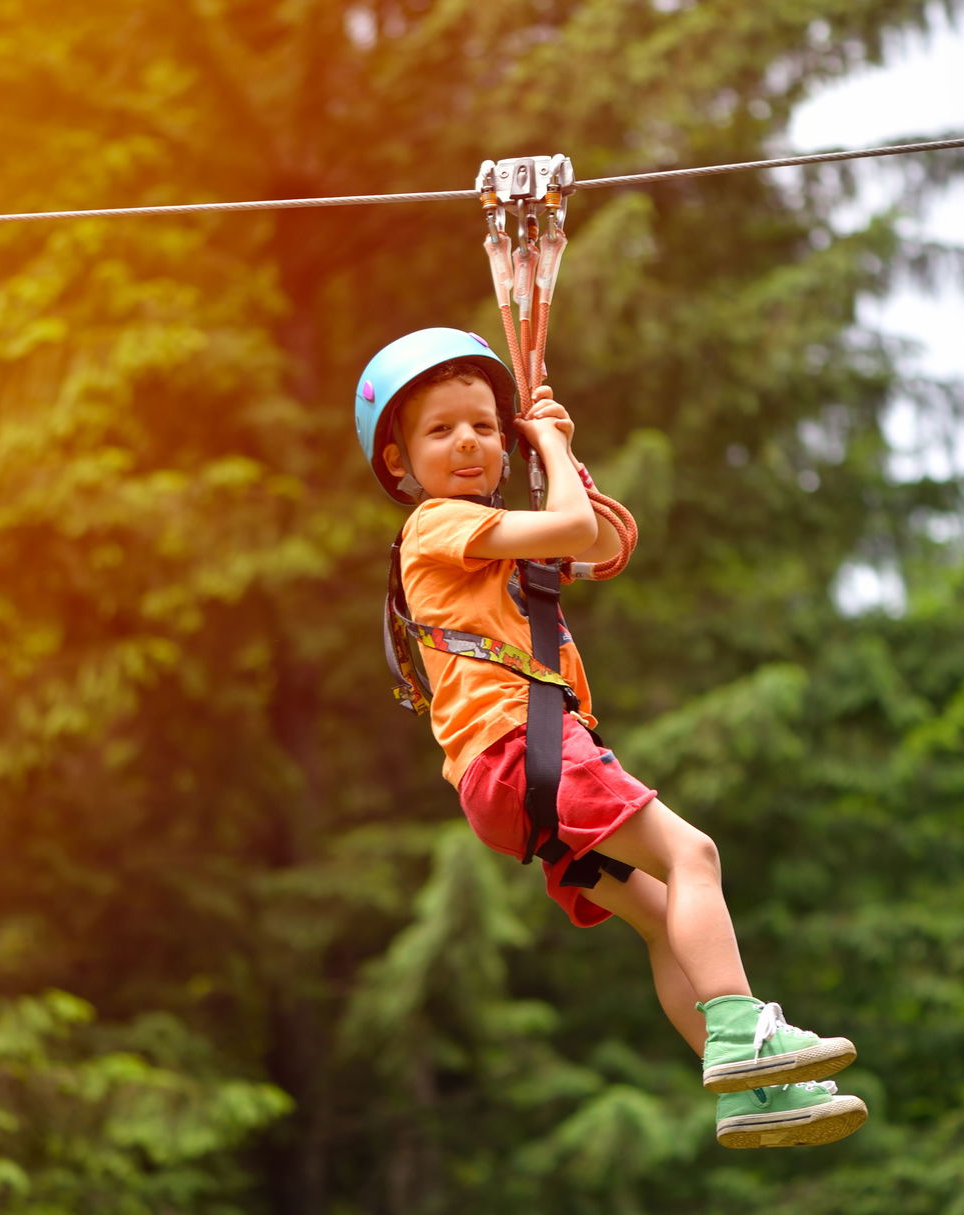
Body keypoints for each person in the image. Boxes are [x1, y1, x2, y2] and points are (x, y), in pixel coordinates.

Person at [354, 328, 867, 1149]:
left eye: (487, 426)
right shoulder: (434, 526)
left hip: (512, 774)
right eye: (442, 429)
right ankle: (745, 1033)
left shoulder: (482, 547)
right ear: (399, 462)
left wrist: (558, 453)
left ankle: (749, 1093)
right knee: (693, 856)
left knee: (666, 917)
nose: (469, 443)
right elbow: (565, 528)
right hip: (523, 748)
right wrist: (551, 446)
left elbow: (595, 541)